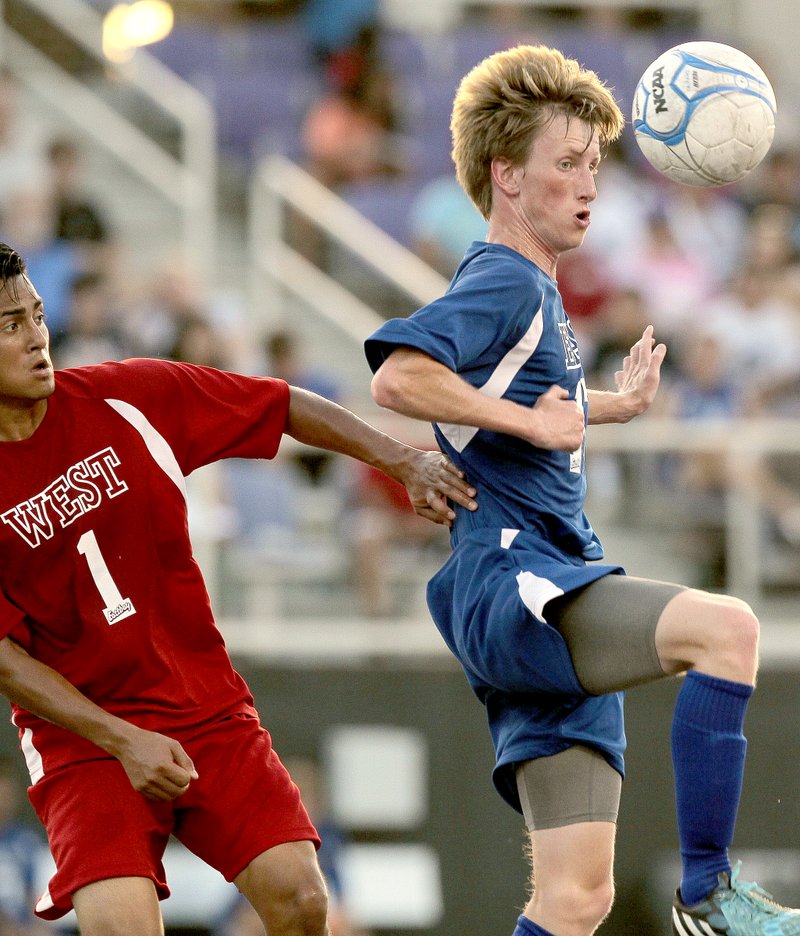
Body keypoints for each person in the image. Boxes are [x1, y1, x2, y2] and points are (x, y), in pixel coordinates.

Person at [364, 44, 800, 936]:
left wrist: (607, 406)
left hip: (528, 587)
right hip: (523, 584)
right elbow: (399, 378)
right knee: (729, 631)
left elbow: (518, 403)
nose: (588, 184)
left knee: (576, 899)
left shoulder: (534, 291)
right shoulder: (504, 277)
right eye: (565, 163)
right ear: (506, 177)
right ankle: (708, 893)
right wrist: (535, 425)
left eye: (594, 165)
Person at [0, 241, 478, 935]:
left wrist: (403, 461)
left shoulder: (128, 395)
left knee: (303, 898)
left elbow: (280, 406)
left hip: (203, 707)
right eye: (10, 323)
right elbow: (6, 659)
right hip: (85, 740)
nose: (37, 336)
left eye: (37, 314)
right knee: (119, 928)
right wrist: (120, 738)